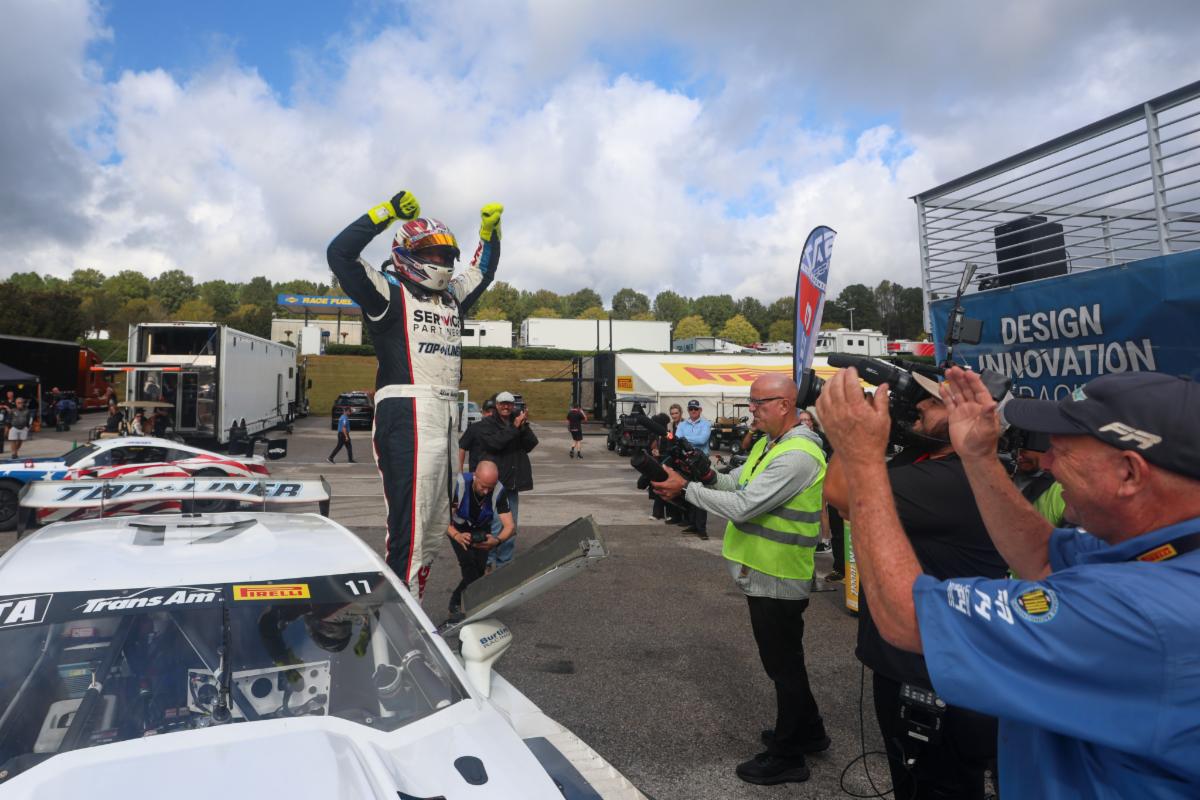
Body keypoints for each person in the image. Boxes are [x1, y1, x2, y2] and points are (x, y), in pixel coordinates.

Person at [817, 366, 1200, 798]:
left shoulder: (1138, 611)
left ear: (1129, 472)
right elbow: (1040, 555)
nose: (1047, 463)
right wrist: (979, 457)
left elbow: (907, 617)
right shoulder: (1160, 552)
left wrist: (862, 458)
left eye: (1064, 451)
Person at [823, 372, 1006, 800]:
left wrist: (853, 434)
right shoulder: (925, 464)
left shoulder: (952, 478)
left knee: (939, 787)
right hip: (913, 663)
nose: (919, 408)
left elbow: (839, 491)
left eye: (933, 402)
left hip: (936, 672)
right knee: (912, 781)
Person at [652, 373, 829, 786]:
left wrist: (687, 492)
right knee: (786, 663)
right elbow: (737, 484)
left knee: (783, 667)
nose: (751, 409)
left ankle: (788, 756)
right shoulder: (772, 445)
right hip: (765, 569)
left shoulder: (798, 454)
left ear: (785, 405)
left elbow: (746, 505)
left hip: (778, 573)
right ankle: (811, 732)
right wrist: (705, 477)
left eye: (758, 402)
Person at [327, 188, 501, 600]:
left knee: (438, 521)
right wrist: (383, 212)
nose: (441, 262)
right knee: (413, 525)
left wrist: (491, 236)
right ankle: (400, 617)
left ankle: (412, 606)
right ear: (407, 253)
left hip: (445, 412)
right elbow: (339, 254)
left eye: (446, 256)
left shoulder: (451, 299)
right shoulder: (387, 290)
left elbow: (482, 272)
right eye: (433, 254)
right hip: (408, 409)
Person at [446, 460, 515, 622]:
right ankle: (467, 604)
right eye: (483, 486)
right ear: (475, 476)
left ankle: (459, 601)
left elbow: (510, 526)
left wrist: (496, 541)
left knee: (479, 569)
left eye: (489, 487)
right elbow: (441, 519)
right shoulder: (459, 485)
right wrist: (456, 535)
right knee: (468, 563)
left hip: (482, 527)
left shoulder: (498, 490)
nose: (486, 491)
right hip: (458, 527)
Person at [477, 391, 537, 570]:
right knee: (496, 523)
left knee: (511, 525)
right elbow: (494, 444)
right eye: (502, 404)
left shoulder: (517, 422)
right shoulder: (487, 423)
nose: (506, 407)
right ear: (496, 405)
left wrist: (523, 427)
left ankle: (505, 564)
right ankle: (487, 561)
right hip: (495, 483)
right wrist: (513, 428)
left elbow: (531, 444)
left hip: (512, 482)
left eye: (509, 404)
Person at [674, 399, 713, 537]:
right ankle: (692, 524)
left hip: (701, 463)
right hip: (687, 462)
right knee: (688, 493)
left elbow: (702, 440)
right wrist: (687, 439)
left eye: (695, 409)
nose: (693, 411)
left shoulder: (706, 424)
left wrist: (685, 439)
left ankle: (701, 529)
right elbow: (677, 440)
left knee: (701, 494)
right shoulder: (683, 424)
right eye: (691, 409)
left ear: (700, 410)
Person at [457, 399, 494, 472]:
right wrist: (460, 472)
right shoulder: (474, 428)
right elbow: (462, 448)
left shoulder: (501, 430)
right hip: (476, 473)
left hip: (495, 473)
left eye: (493, 412)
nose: (490, 414)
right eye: (488, 412)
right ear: (482, 412)